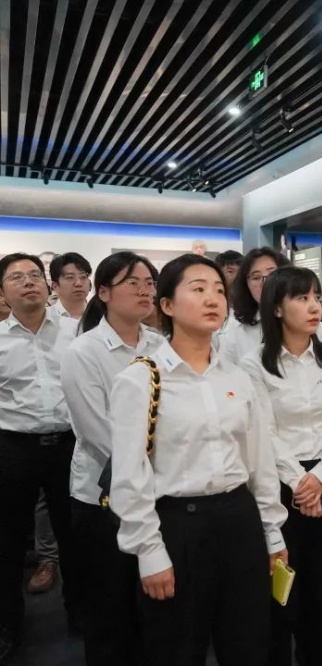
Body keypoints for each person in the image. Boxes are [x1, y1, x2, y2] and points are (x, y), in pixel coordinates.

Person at [108, 254, 288, 666]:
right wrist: (149, 551)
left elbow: (259, 464)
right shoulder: (141, 379)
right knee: (176, 647)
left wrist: (273, 534)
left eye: (219, 291)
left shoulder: (237, 377)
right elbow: (130, 477)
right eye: (198, 289)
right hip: (177, 526)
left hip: (239, 520)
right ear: (167, 305)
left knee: (247, 644)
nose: (213, 299)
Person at [242, 266, 322, 666]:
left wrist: (318, 478)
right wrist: (299, 481)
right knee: (281, 596)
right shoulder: (254, 364)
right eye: (301, 298)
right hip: (276, 486)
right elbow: (263, 432)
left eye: (316, 297)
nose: (314, 306)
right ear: (276, 308)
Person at [61, 251, 163, 666]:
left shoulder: (160, 345)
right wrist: (155, 470)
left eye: (149, 283)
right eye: (132, 283)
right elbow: (96, 432)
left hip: (157, 491)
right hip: (103, 497)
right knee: (109, 608)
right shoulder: (84, 351)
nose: (144, 291)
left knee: (150, 605)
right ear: (103, 293)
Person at [0, 253, 83, 663]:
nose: (29, 281)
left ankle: (81, 615)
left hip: (70, 445)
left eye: (35, 274)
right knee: (8, 541)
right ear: (3, 291)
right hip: (13, 448)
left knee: (76, 536)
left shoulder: (76, 331)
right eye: (17, 277)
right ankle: (8, 627)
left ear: (47, 284)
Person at [31, 252, 93, 593]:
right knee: (46, 501)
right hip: (52, 423)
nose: (78, 282)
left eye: (83, 275)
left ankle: (84, 561)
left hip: (88, 423)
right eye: (70, 277)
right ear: (54, 284)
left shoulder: (99, 317)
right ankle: (47, 558)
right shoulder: (45, 321)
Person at [221, 247, 322, 363]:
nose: (265, 283)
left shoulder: (320, 331)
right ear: (246, 285)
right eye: (256, 278)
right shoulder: (237, 334)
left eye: (272, 274)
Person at [49, 252, 92, 320]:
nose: (78, 283)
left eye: (83, 277)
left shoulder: (101, 317)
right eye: (70, 277)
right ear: (55, 286)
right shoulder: (44, 318)